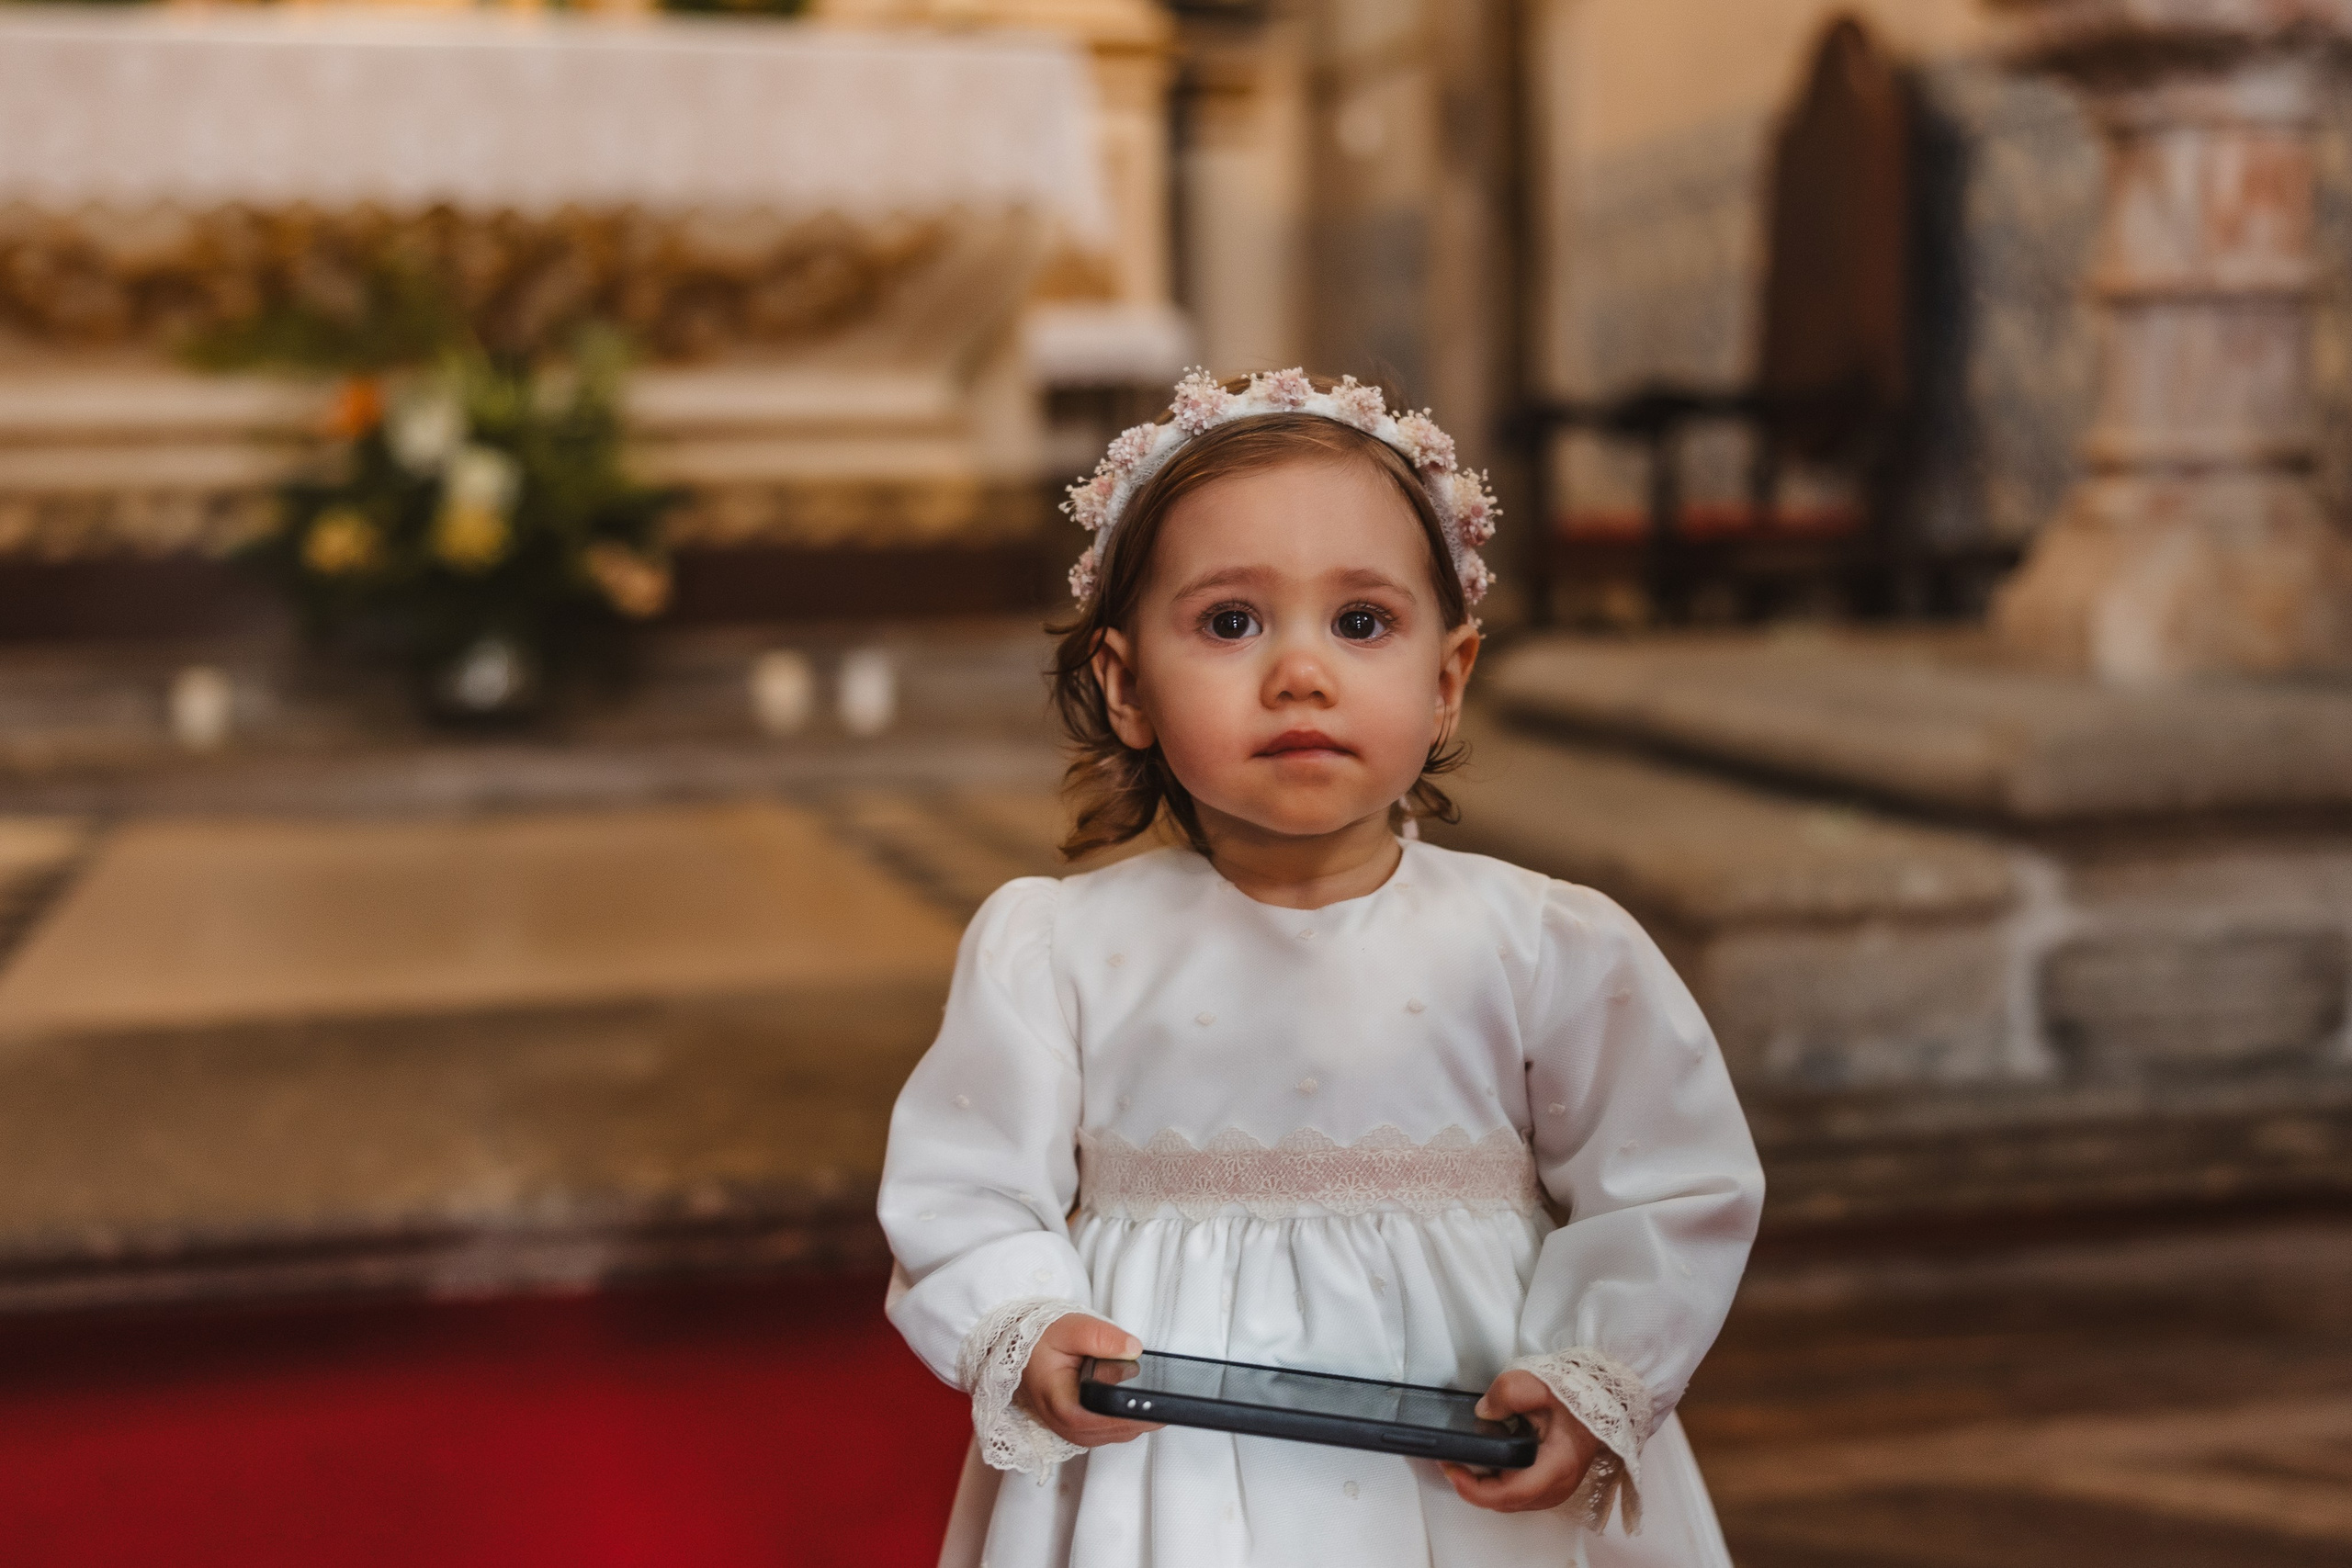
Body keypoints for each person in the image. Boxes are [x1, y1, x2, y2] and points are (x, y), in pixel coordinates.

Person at [879, 369, 1764, 1566]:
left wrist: (1593, 1372)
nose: (1301, 671)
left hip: (1468, 1453)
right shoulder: (1057, 950)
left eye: (1360, 623)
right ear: (1126, 686)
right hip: (1162, 1469)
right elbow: (966, 1187)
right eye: (1230, 623)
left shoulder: (1546, 945)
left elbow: (1671, 1182)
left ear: (1446, 681)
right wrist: (1022, 1322)